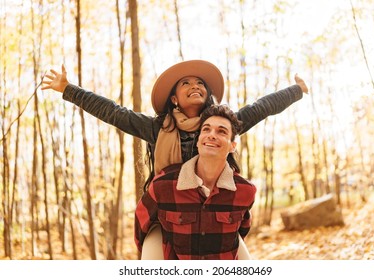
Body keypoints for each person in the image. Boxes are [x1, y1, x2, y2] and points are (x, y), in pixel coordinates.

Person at [42, 60, 308, 259]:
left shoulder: (220, 126)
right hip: (168, 214)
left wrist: (296, 90)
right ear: (173, 98)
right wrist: (68, 89)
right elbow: (113, 112)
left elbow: (261, 108)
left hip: (214, 211)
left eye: (200, 83)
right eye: (186, 83)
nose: (195, 86)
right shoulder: (158, 128)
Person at [134, 104, 256, 259]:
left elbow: (242, 229)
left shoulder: (245, 190)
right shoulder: (163, 185)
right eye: (206, 129)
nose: (212, 135)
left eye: (221, 131)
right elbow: (141, 228)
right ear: (198, 141)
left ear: (232, 146)